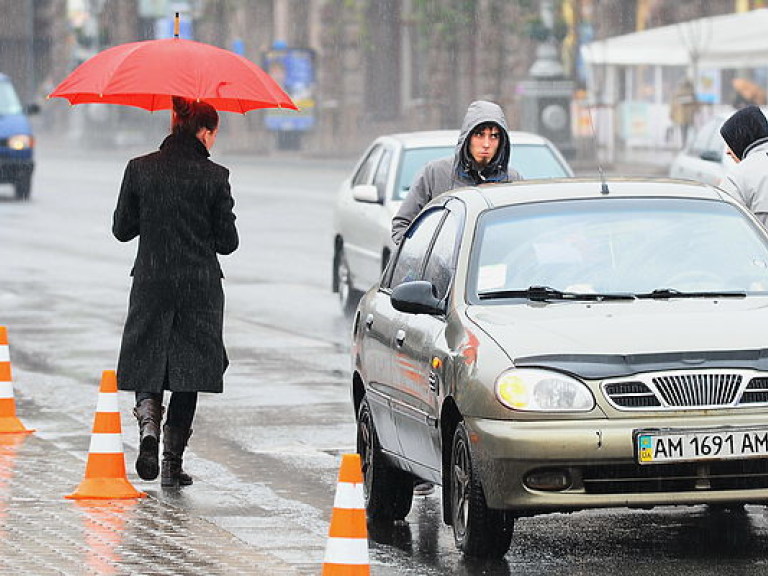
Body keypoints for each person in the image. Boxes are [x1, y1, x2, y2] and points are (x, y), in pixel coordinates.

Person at [112, 96, 239, 488]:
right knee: (189, 372)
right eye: (214, 133)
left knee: (148, 358)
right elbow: (227, 242)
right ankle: (171, 464)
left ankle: (148, 422)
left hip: (152, 281)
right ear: (204, 131)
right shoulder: (215, 176)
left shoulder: (140, 168)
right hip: (198, 288)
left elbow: (122, 229)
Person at [391, 100, 520, 245]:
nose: (486, 144)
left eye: (494, 136)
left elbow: (525, 232)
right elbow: (402, 225)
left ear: (502, 142)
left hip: (495, 265)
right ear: (467, 137)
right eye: (479, 135)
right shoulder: (435, 173)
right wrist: (427, 260)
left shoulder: (513, 180)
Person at [718, 105, 768, 228]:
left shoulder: (738, 178)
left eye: (731, 142)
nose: (728, 151)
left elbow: (724, 227)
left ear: (740, 140)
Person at [669, 78, 696, 146]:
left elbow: (673, 104)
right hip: (686, 116)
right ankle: (686, 144)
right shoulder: (690, 92)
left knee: (684, 130)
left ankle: (684, 144)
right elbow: (674, 103)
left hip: (684, 116)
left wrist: (671, 113)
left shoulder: (680, 92)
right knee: (686, 130)